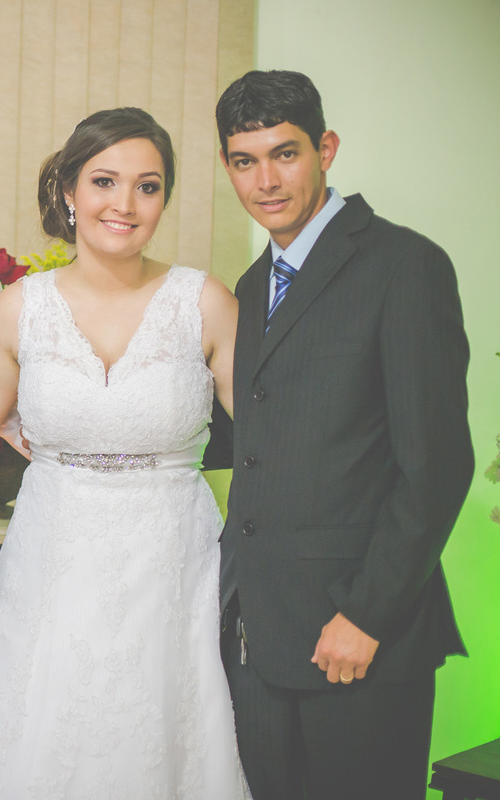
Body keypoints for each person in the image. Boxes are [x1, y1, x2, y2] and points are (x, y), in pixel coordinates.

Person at [0, 108, 247, 799]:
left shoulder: (206, 303)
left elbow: (272, 442)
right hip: (51, 558)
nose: (124, 203)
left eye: (147, 186)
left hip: (171, 564)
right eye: (104, 181)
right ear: (69, 189)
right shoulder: (20, 307)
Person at [215, 69, 472, 800]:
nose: (266, 180)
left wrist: (365, 614)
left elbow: (436, 466)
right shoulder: (249, 287)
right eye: (244, 161)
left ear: (325, 149)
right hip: (258, 641)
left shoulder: (405, 266)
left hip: (358, 637)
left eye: (285, 153)